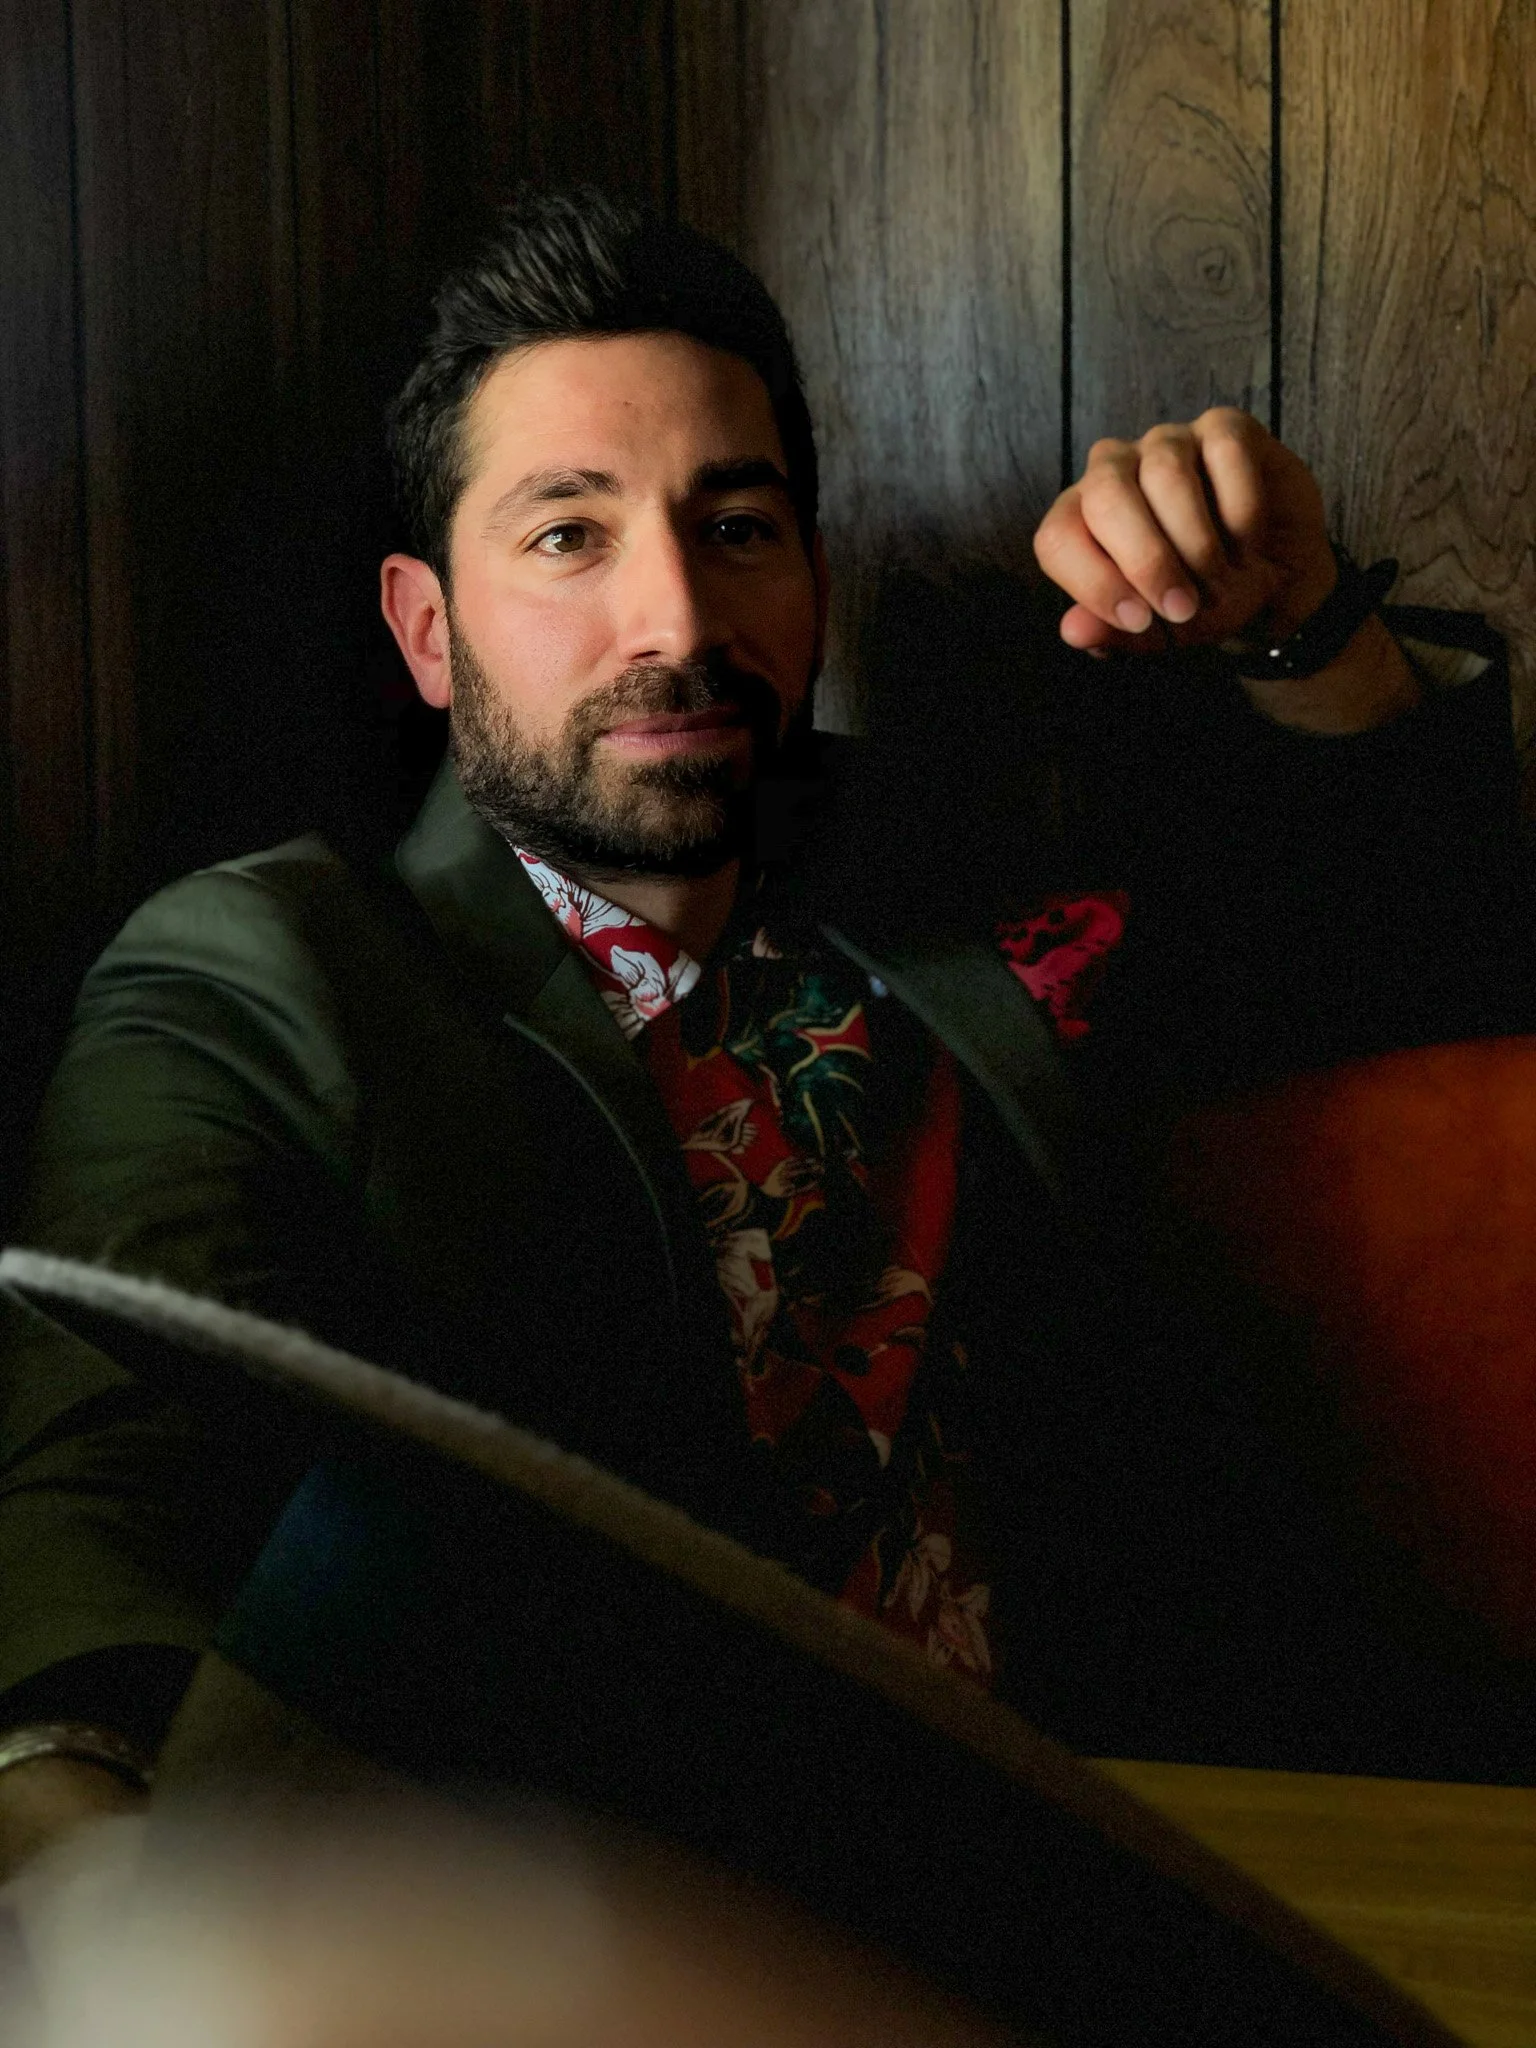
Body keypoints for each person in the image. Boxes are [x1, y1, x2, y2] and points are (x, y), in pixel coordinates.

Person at [0, 188, 1530, 1883]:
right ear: (429, 632)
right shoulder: (270, 968)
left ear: (807, 581)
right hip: (609, 1925)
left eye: (736, 527)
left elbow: (1409, 964)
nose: (676, 618)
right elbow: (101, 1455)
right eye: (568, 536)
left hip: (1102, 1860)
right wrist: (76, 1855)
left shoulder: (965, 867)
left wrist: (1296, 621)